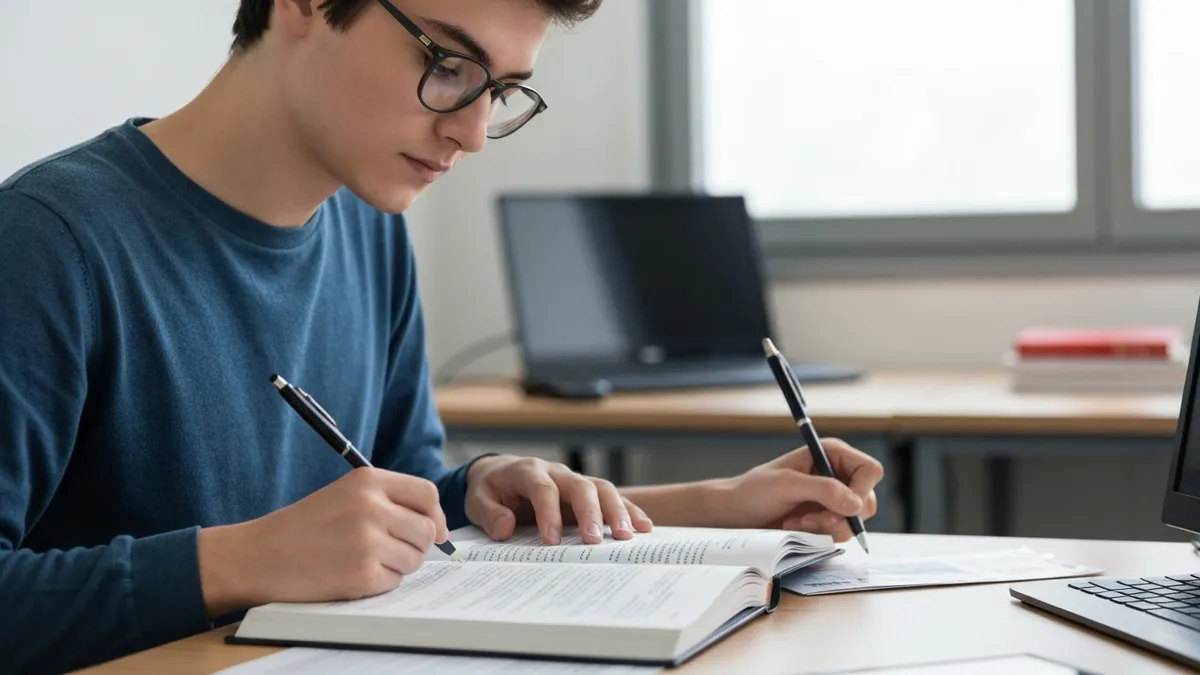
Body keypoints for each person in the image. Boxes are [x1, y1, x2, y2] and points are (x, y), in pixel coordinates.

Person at [0, 0, 885, 672]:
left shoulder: (370, 224)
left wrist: (705, 502)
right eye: (450, 64)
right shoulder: (47, 242)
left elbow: (404, 511)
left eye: (499, 91)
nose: (470, 132)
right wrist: (239, 559)